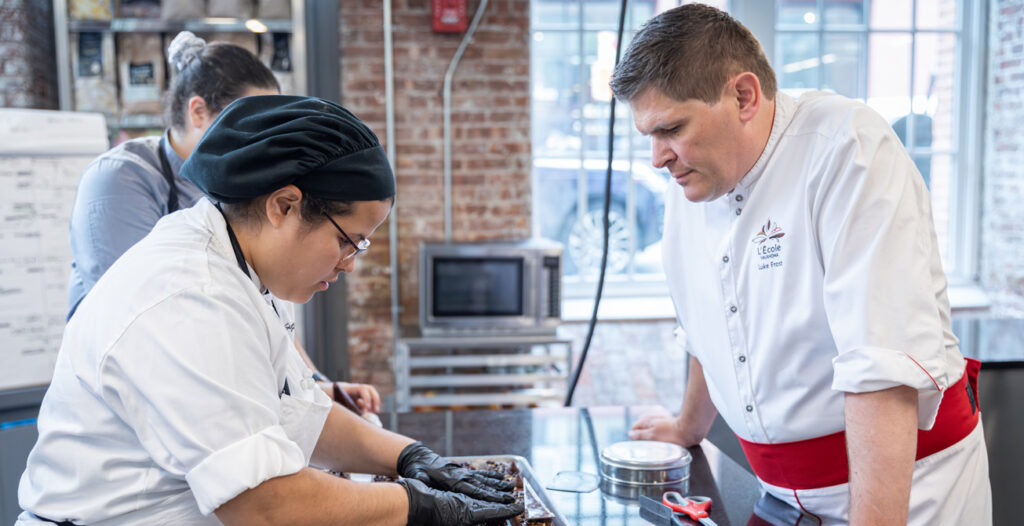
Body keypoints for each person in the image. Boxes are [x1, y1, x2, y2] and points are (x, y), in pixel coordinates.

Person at [18, 95, 524, 525]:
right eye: (350, 241)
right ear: (283, 205)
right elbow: (265, 503)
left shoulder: (238, 271)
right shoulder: (191, 296)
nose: (349, 264)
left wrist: (410, 456)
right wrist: (417, 506)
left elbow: (296, 410)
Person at [610, 5, 990, 525]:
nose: (658, 158)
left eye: (671, 128)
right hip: (783, 496)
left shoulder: (846, 148)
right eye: (648, 136)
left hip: (909, 495)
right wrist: (686, 427)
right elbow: (711, 323)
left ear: (743, 96)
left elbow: (879, 369)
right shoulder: (696, 180)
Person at [66, 31, 380, 414]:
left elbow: (263, 310)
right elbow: (152, 317)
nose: (266, 139)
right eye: (249, 119)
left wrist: (314, 387)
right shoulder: (120, 179)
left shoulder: (244, 199)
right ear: (198, 112)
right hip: (129, 389)